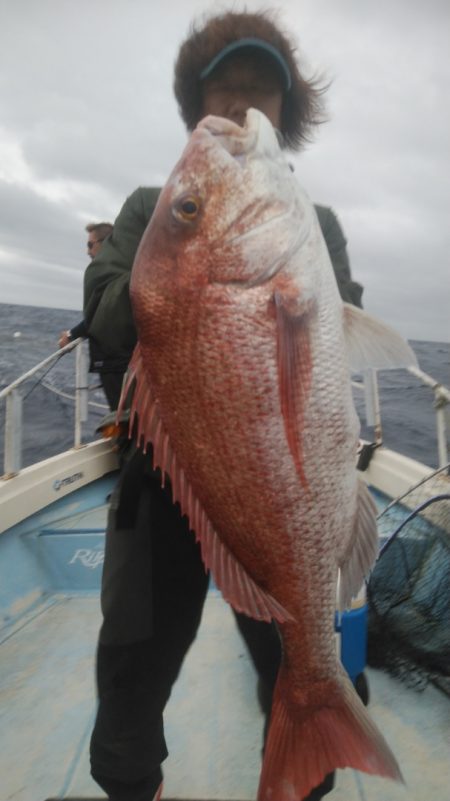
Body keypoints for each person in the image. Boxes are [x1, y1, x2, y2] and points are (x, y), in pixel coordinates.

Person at [86, 11, 364, 801]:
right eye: (225, 88)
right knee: (132, 667)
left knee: (292, 657)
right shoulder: (152, 204)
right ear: (195, 103)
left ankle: (304, 770)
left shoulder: (319, 224)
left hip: (278, 490)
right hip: (162, 483)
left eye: (260, 92)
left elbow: (338, 332)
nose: (242, 104)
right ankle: (130, 785)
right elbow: (105, 300)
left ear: (287, 113)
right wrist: (172, 276)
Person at [58, 222, 127, 411]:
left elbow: (98, 316)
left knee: (123, 419)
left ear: (105, 243)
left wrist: (70, 336)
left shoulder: (108, 273)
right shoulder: (123, 269)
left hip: (116, 363)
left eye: (90, 244)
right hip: (124, 361)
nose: (88, 251)